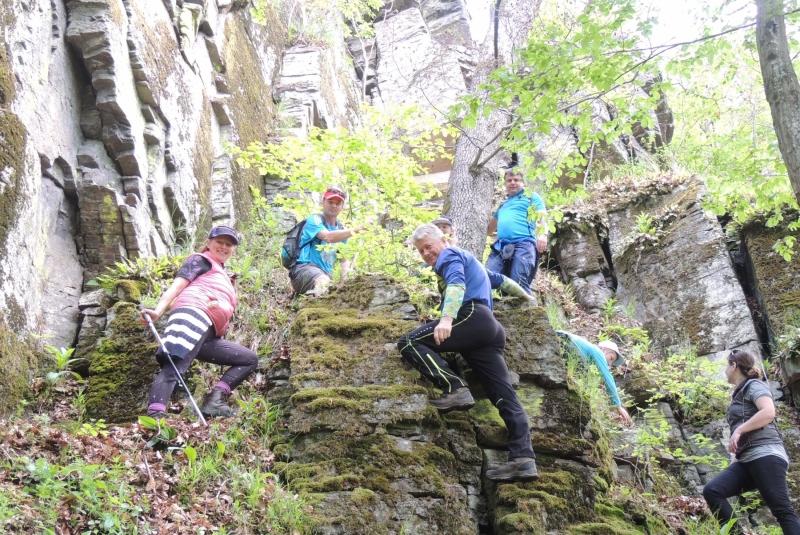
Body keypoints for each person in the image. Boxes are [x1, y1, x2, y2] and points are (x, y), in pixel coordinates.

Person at [397, 223, 538, 482]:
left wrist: (446, 319)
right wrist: (527, 296)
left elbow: (456, 285)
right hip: (490, 332)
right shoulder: (469, 261)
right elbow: (502, 281)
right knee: (504, 396)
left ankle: (455, 388)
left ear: (443, 240)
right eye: (420, 251)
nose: (426, 253)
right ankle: (523, 459)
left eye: (429, 246)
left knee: (408, 342)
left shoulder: (450, 255)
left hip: (471, 316)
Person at [140, 225, 258, 419]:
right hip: (193, 314)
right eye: (219, 242)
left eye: (228, 244)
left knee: (248, 359)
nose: (223, 246)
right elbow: (177, 286)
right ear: (208, 243)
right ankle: (155, 420)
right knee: (174, 366)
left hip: (209, 332)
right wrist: (158, 311)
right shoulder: (200, 260)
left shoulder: (221, 272)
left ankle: (215, 400)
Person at [702, 349, 800, 534]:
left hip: (766, 454)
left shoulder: (754, 385)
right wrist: (736, 457)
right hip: (747, 460)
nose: (725, 370)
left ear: (734, 366)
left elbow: (768, 412)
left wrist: (739, 429)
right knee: (713, 490)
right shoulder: (739, 394)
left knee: (781, 509)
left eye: (726, 365)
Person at [289, 186, 364, 296]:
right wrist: (356, 230)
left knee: (333, 289)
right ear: (323, 202)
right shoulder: (315, 219)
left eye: (338, 203)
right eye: (330, 202)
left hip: (325, 275)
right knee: (323, 282)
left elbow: (344, 260)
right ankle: (317, 309)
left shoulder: (341, 230)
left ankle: (313, 300)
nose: (334, 205)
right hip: (303, 270)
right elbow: (328, 237)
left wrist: (344, 281)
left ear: (342, 207)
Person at [486, 168, 548, 295]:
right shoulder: (503, 205)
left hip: (524, 244)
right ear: (505, 183)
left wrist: (543, 234)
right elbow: (488, 230)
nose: (512, 182)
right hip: (501, 246)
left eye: (516, 180)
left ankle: (529, 311)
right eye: (509, 180)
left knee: (518, 279)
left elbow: (542, 215)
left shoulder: (531, 197)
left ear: (523, 182)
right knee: (487, 277)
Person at [556, 331, 632, 425]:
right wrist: (618, 407)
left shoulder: (586, 352)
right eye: (611, 358)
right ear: (604, 349)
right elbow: (607, 378)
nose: (610, 364)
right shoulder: (598, 351)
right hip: (564, 340)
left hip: (559, 339)